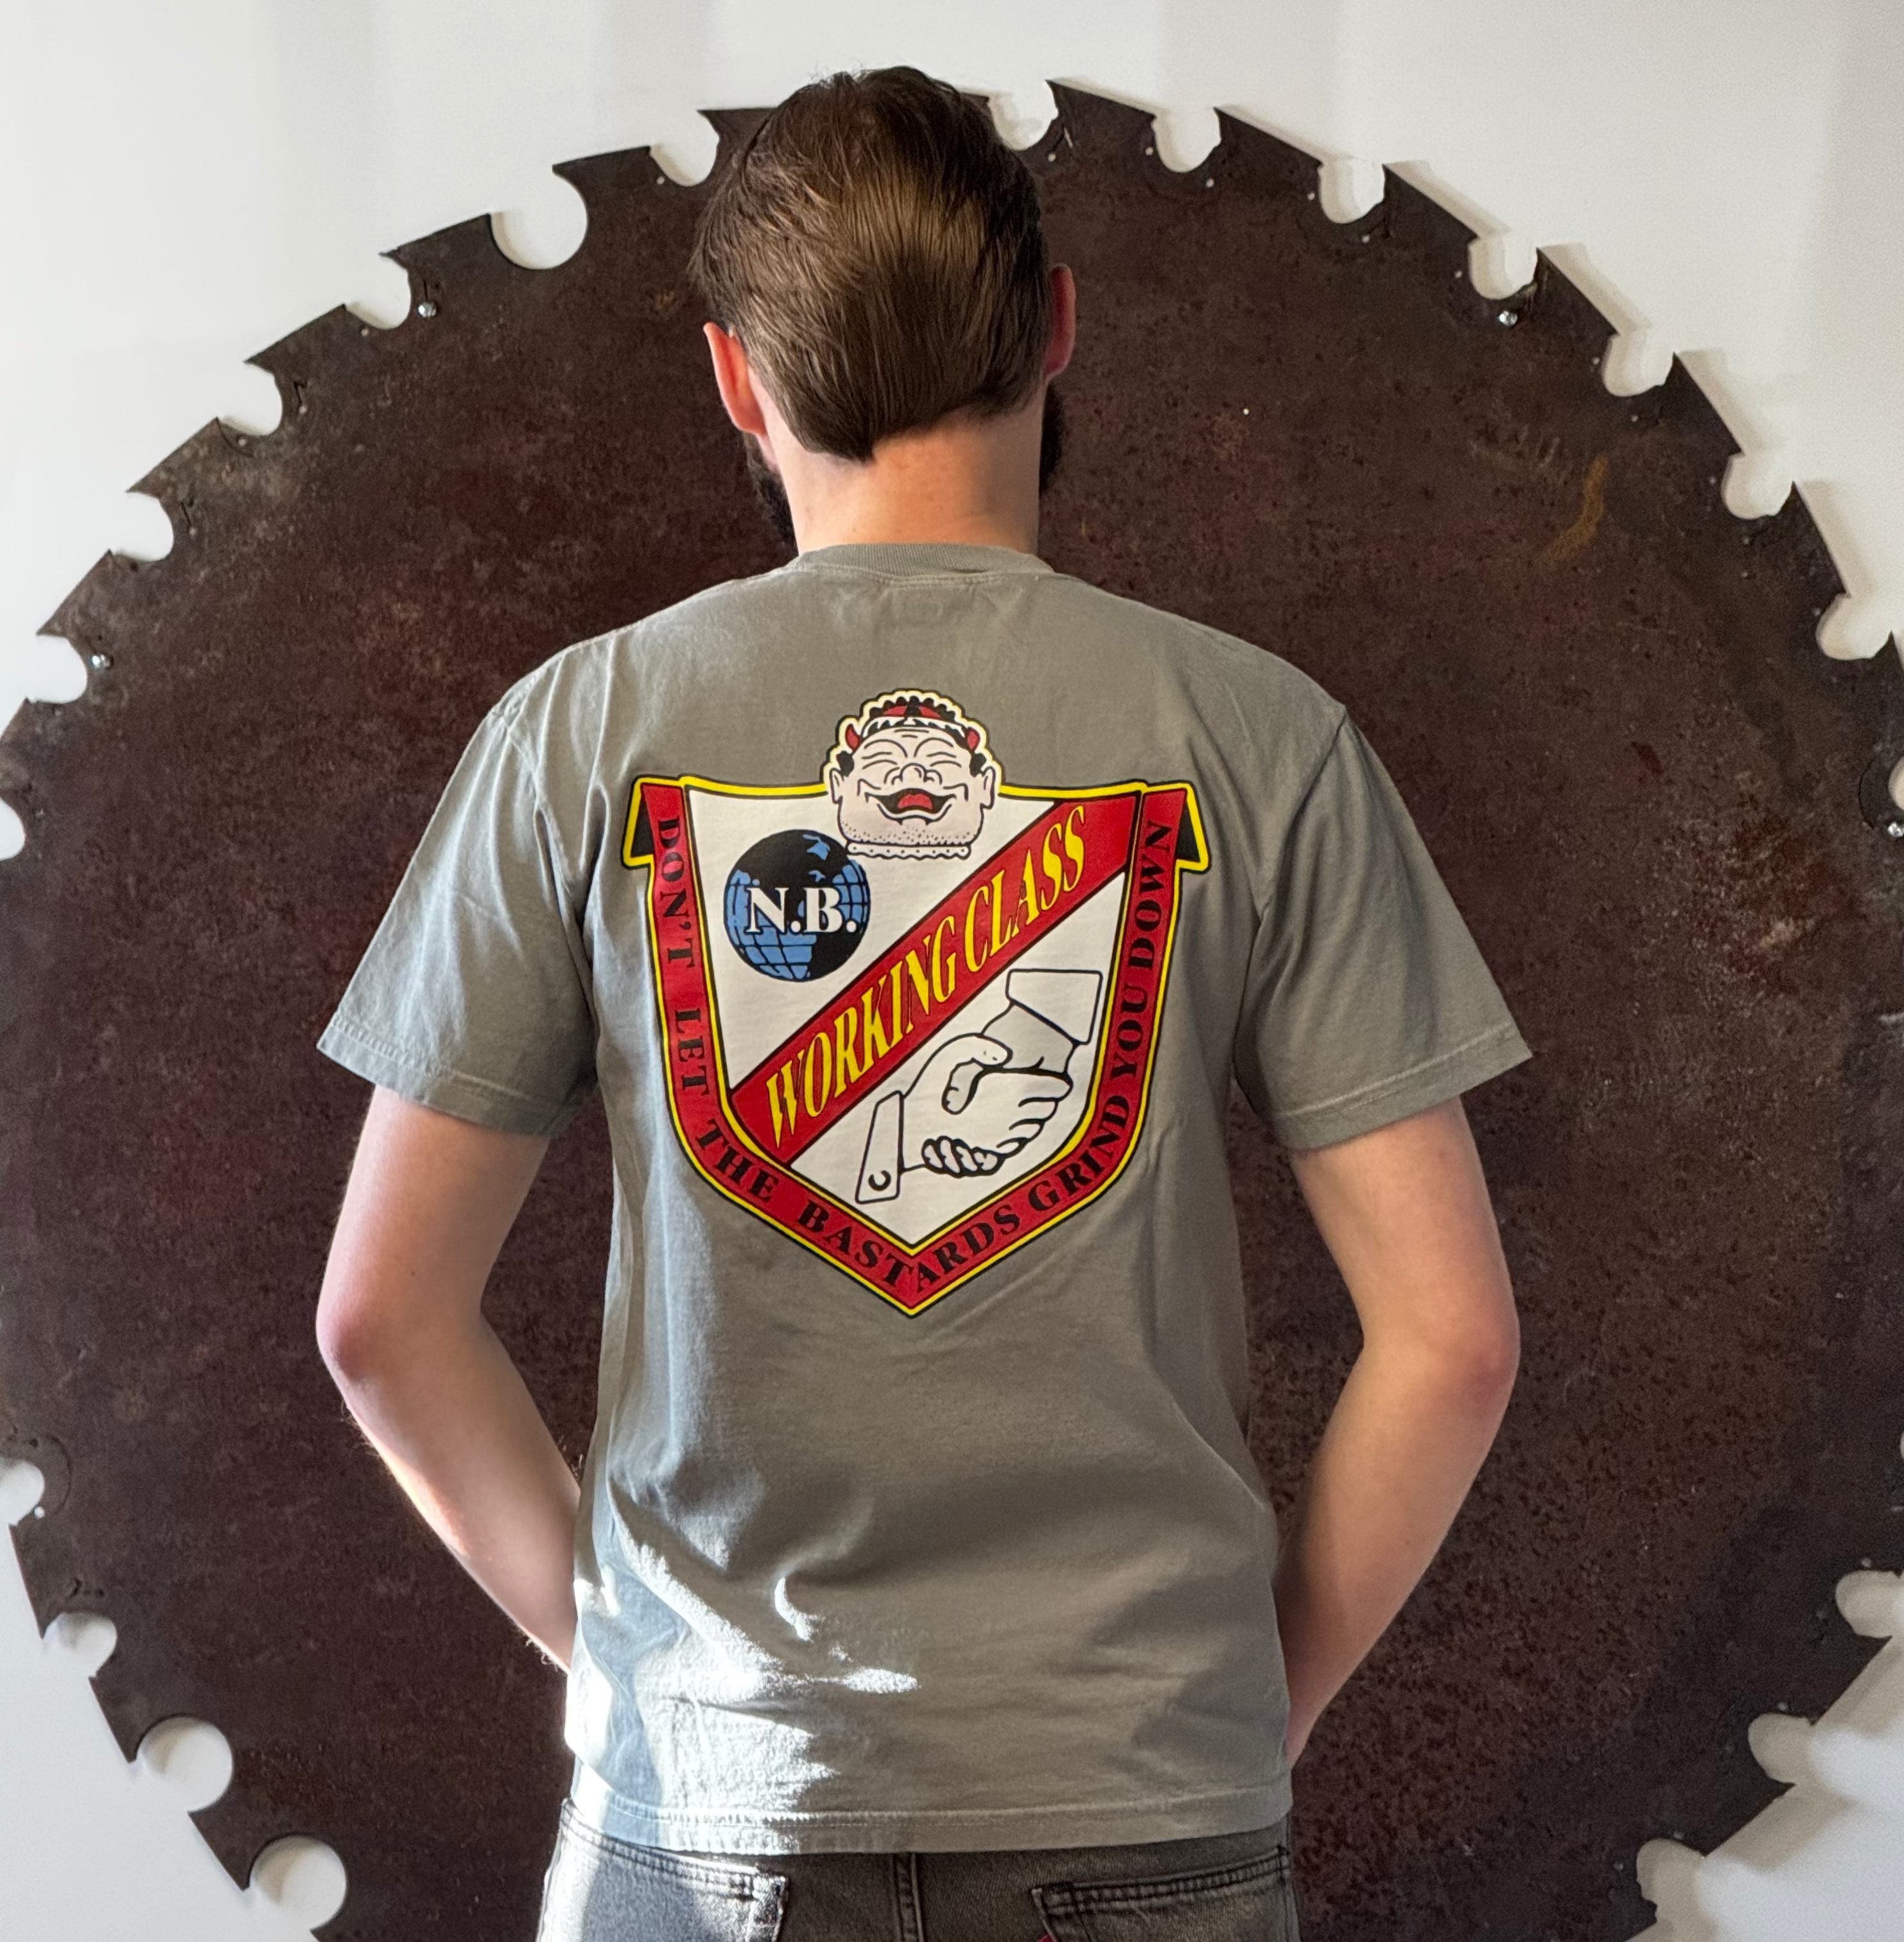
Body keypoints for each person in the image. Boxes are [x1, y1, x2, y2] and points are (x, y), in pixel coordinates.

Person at [314, 65, 1527, 1942]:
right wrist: (1233, 1715)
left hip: (702, 1811)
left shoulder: (576, 738)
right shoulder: (1259, 740)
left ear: (737, 378)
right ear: (1055, 325)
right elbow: (1450, 1343)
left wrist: (633, 1672)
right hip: (1148, 1796)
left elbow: (383, 1324)